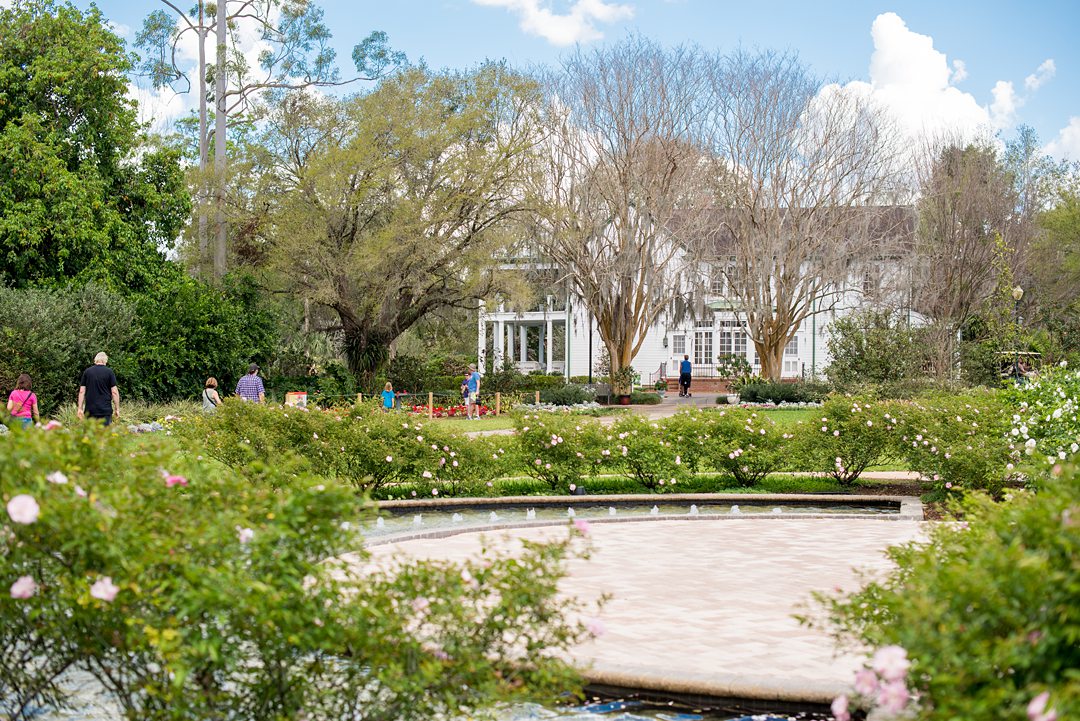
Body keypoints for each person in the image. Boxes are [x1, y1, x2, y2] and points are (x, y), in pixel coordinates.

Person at [77, 352, 119, 425]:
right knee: (104, 435)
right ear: (105, 360)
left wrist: (80, 408)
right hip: (105, 410)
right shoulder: (109, 372)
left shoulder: (87, 372)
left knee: (91, 435)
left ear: (96, 360)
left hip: (90, 410)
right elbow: (114, 392)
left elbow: (81, 391)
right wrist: (117, 409)